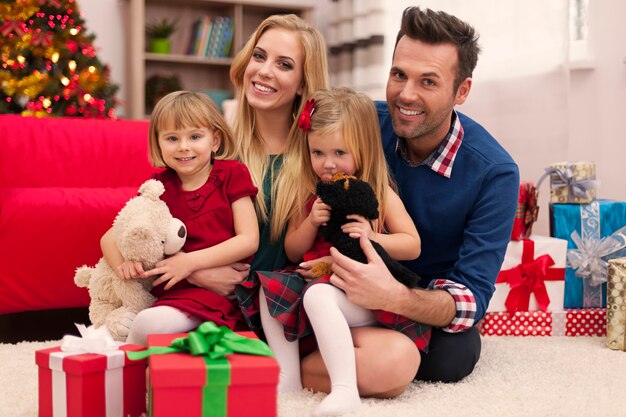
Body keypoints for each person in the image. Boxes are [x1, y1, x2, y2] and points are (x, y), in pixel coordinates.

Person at [301, 6, 520, 389]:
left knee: (454, 358)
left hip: (416, 291)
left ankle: (316, 357)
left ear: (462, 91)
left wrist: (395, 297)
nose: (406, 94)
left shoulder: (495, 173)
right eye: (398, 74)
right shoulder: (362, 125)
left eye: (428, 82)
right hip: (332, 277)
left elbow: (470, 295)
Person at [251, 87, 430, 417]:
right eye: (318, 153)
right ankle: (287, 374)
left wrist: (371, 238)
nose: (328, 164)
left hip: (360, 291)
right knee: (268, 288)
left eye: (339, 152)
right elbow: (293, 249)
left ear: (362, 149)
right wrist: (309, 224)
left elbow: (412, 244)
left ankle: (345, 390)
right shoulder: (309, 191)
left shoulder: (379, 193)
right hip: (317, 282)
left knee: (319, 298)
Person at [100, 91, 259, 345]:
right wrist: (125, 264)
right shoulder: (158, 187)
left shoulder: (232, 174)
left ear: (215, 140)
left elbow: (249, 240)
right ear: (159, 143)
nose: (184, 146)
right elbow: (110, 237)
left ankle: (126, 363)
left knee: (145, 323)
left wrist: (189, 263)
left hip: (222, 294)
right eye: (172, 138)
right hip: (174, 293)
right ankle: (127, 367)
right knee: (144, 323)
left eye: (195, 136)